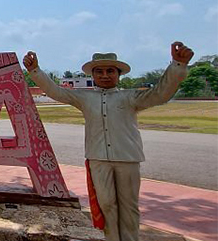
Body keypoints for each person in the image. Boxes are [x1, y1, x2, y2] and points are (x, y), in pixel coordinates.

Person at [22, 42, 193, 241]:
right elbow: (56, 91)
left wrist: (178, 65)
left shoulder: (130, 97)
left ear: (118, 74)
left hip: (127, 158)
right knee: (107, 206)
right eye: (99, 71)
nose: (105, 75)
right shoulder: (85, 98)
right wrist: (34, 70)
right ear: (92, 75)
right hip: (98, 159)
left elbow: (161, 93)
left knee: (129, 207)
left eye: (110, 71)